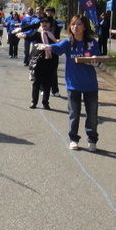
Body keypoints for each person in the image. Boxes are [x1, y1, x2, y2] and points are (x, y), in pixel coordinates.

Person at [39, 14, 100, 151]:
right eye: (73, 24)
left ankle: (92, 140)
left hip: (90, 85)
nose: (75, 27)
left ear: (84, 27)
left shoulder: (92, 43)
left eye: (78, 24)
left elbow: (98, 60)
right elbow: (57, 47)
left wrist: (96, 61)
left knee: (92, 114)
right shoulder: (68, 42)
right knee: (74, 114)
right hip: (73, 85)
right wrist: (47, 47)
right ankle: (74, 139)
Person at [28, 16, 58, 110]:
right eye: (42, 22)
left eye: (46, 22)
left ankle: (45, 102)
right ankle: (34, 101)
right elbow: (30, 37)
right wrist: (24, 35)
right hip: (39, 61)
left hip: (50, 61)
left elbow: (57, 45)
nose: (44, 24)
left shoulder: (53, 34)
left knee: (47, 83)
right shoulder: (38, 33)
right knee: (36, 82)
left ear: (50, 24)